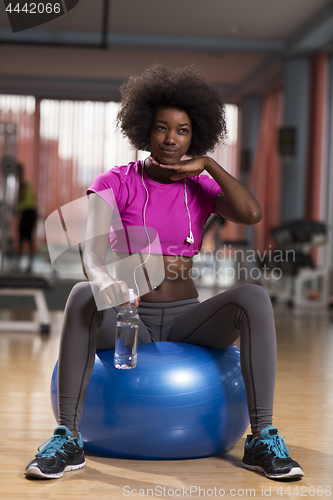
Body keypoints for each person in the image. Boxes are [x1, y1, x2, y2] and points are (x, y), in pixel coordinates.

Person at [24, 64, 304, 481]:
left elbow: (252, 213)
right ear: (145, 130)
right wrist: (106, 284)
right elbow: (92, 252)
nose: (171, 139)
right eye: (161, 128)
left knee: (254, 296)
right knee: (83, 292)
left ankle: (261, 437)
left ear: (196, 136)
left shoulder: (200, 188)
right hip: (125, 316)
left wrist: (209, 165)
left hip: (186, 319)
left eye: (183, 131)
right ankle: (67, 437)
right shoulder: (115, 182)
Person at [16, 166, 38, 273]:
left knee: (24, 238)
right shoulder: (26, 184)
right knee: (26, 239)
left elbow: (21, 197)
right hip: (30, 212)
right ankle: (26, 264)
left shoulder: (22, 185)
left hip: (28, 212)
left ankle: (23, 264)